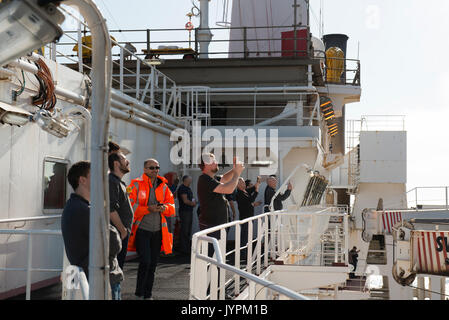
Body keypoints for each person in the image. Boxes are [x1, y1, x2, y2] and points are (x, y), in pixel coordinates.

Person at [61, 161, 123, 291]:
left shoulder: (74, 205)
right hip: (100, 280)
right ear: (82, 180)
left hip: (94, 276)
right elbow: (114, 242)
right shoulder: (84, 210)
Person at [127, 158, 175, 300]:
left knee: (153, 264)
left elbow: (171, 206)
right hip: (142, 230)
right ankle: (138, 293)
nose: (155, 170)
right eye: (151, 167)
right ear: (145, 169)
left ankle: (148, 295)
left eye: (157, 167)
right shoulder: (135, 184)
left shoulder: (164, 186)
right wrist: (148, 209)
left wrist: (164, 207)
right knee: (145, 261)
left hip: (158, 232)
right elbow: (130, 206)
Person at [197, 153, 244, 256]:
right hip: (212, 227)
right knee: (212, 258)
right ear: (206, 164)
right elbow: (229, 189)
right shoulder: (205, 179)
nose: (216, 163)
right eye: (213, 161)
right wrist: (237, 174)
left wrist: (234, 169)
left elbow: (224, 179)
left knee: (217, 258)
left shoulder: (211, 179)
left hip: (217, 226)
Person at [108, 152, 134, 300]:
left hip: (119, 235)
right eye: (124, 159)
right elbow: (111, 209)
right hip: (116, 235)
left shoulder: (118, 182)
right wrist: (123, 230)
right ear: (117, 164)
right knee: (114, 273)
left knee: (117, 271)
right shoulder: (112, 181)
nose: (127, 161)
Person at [235, 176, 261, 259]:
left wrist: (257, 183)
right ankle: (243, 255)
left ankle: (246, 253)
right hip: (245, 218)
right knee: (244, 237)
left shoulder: (244, 191)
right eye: (242, 182)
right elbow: (250, 199)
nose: (244, 184)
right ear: (237, 184)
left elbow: (251, 189)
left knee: (247, 236)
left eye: (243, 182)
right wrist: (256, 191)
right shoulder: (239, 193)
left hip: (248, 217)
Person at [177, 175, 197, 255]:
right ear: (185, 180)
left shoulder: (187, 188)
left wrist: (193, 202)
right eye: (189, 180)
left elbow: (190, 198)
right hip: (184, 211)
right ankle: (183, 249)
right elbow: (185, 201)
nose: (190, 182)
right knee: (185, 230)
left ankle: (185, 248)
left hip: (188, 211)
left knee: (187, 229)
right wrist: (193, 203)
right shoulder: (183, 188)